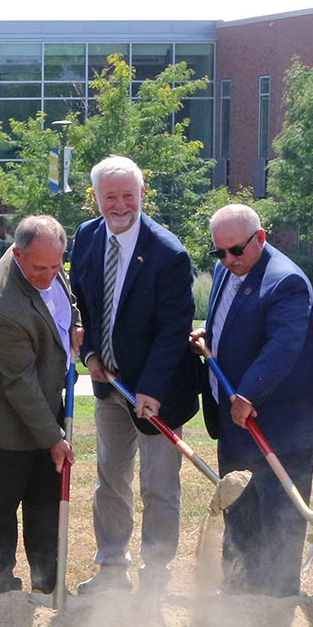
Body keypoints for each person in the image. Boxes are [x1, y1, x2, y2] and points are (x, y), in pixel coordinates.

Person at [69, 156, 198, 596]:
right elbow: (81, 306)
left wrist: (152, 389)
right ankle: (111, 568)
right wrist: (88, 353)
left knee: (159, 485)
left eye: (128, 195)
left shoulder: (168, 252)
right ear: (97, 198)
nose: (119, 204)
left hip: (156, 391)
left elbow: (172, 330)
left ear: (142, 195)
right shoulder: (86, 237)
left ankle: (156, 576)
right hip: (109, 386)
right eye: (110, 196)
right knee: (111, 479)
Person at [192, 203, 313, 596]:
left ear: (260, 238)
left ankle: (277, 598)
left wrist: (248, 392)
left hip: (278, 422)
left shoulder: (286, 282)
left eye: (236, 250)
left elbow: (282, 345)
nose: (228, 259)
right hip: (234, 419)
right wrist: (207, 334)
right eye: (220, 252)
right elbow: (233, 322)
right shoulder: (225, 270)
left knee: (279, 514)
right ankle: (237, 590)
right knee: (240, 508)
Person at [0, 216, 77, 594]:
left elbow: (64, 296)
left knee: (45, 502)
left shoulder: (42, 261)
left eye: (55, 265)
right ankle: (1, 589)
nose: (49, 274)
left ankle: (47, 586)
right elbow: (20, 385)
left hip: (43, 403)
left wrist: (74, 325)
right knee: (3, 504)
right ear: (17, 255)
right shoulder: (3, 308)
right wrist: (53, 438)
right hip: (5, 422)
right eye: (39, 268)